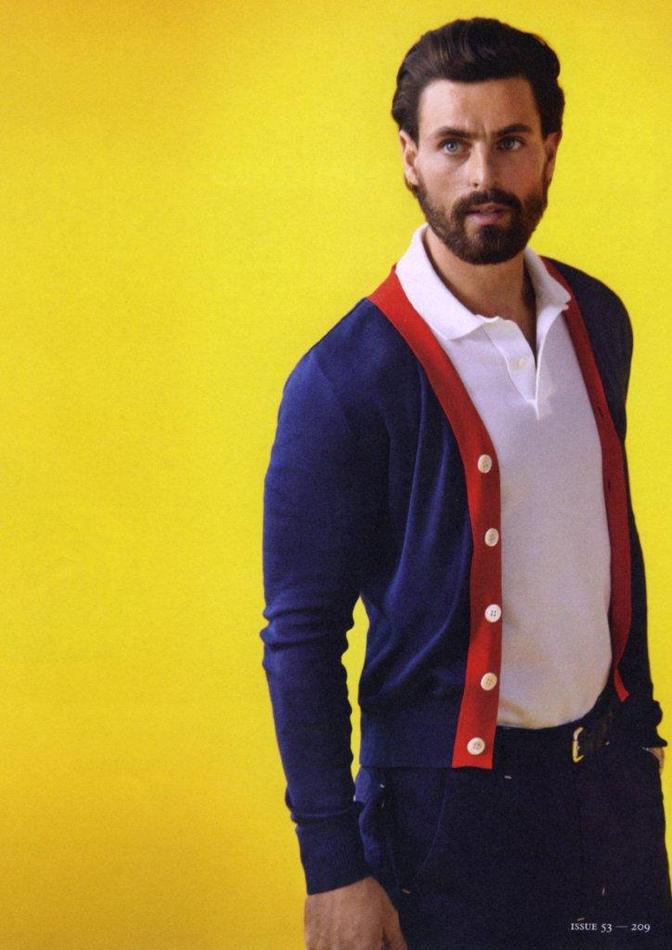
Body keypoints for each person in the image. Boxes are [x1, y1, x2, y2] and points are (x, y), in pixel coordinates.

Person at [260, 17, 671, 950]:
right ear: (410, 157)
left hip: (607, 795)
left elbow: (607, 532)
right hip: (447, 824)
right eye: (453, 144)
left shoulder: (595, 317)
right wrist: (333, 867)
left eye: (510, 141)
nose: (484, 175)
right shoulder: (344, 379)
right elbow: (302, 639)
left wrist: (641, 721)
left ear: (550, 150)